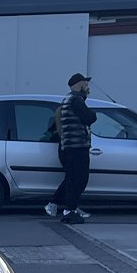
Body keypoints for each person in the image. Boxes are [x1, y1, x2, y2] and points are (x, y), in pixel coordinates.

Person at [45, 73, 97, 224]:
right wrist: (94, 114)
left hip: (70, 147)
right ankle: (69, 211)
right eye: (86, 85)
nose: (88, 88)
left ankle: (66, 206)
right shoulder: (75, 100)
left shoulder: (68, 100)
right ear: (80, 85)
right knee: (79, 179)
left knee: (73, 178)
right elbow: (89, 118)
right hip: (76, 147)